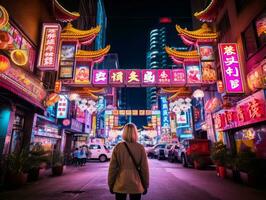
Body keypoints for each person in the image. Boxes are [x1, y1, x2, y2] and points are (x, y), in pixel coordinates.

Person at [108, 123, 149, 200]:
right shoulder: (140, 148)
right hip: (136, 184)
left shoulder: (118, 147)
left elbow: (112, 169)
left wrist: (110, 184)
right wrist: (146, 185)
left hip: (120, 183)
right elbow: (144, 169)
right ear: (135, 133)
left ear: (124, 133)